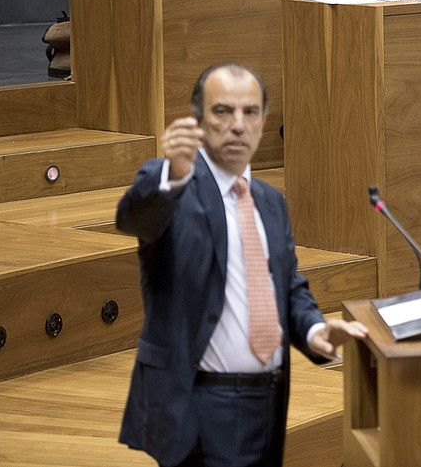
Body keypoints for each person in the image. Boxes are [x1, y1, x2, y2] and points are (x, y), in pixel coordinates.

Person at [115, 63, 368, 466]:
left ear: (264, 121)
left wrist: (315, 329)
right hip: (198, 403)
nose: (237, 125)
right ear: (197, 120)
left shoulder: (269, 202)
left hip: (267, 401)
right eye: (222, 111)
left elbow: (285, 287)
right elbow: (134, 217)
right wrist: (172, 176)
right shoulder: (172, 186)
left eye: (250, 112)